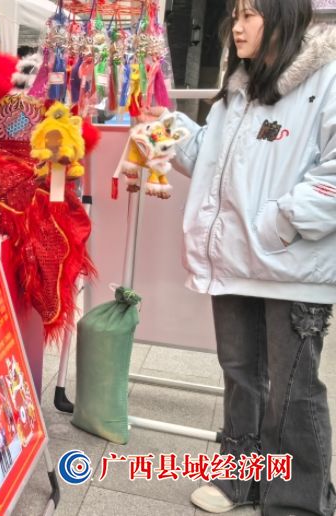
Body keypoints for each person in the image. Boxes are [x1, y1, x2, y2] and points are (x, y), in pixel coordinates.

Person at [139, 0, 336, 513]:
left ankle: (299, 501)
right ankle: (241, 477)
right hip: (235, 257)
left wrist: (278, 223)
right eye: (235, 15)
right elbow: (214, 156)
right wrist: (170, 128)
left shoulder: (328, 79)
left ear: (283, 15)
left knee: (293, 389)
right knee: (241, 374)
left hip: (291, 265)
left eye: (250, 14)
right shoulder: (241, 86)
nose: (237, 26)